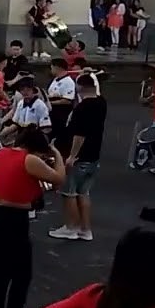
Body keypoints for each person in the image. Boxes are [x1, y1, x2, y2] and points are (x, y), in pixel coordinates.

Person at [0, 126, 65, 308]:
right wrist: (56, 155)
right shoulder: (30, 160)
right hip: (13, 220)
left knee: (1, 274)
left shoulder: (1, 154)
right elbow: (58, 179)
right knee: (21, 277)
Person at [51, 75, 106, 242]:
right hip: (93, 156)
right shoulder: (101, 102)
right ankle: (85, 229)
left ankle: (71, 228)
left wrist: (72, 156)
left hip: (79, 158)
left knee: (69, 193)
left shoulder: (83, 108)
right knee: (84, 193)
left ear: (79, 87)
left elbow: (79, 135)